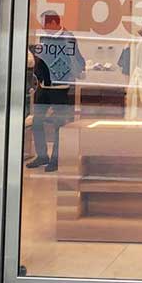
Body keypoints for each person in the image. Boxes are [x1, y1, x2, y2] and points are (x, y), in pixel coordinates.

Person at [27, 10, 84, 172]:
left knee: (59, 124)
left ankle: (56, 159)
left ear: (53, 23)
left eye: (45, 24)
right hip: (43, 86)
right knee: (37, 122)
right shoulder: (45, 38)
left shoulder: (68, 38)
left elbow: (75, 60)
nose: (43, 28)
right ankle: (42, 155)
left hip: (60, 88)